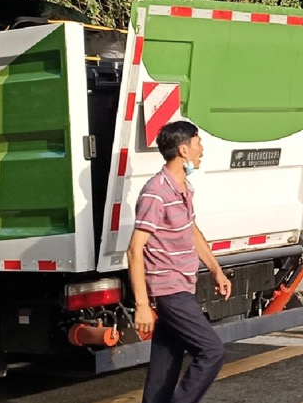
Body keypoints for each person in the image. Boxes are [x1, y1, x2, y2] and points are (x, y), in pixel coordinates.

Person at [128, 120, 233, 402]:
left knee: (164, 367)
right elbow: (135, 250)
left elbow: (192, 231)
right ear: (183, 150)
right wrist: (142, 306)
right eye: (198, 143)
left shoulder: (183, 187)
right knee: (212, 351)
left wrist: (216, 270)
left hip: (183, 285)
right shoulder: (156, 193)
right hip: (169, 289)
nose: (202, 150)